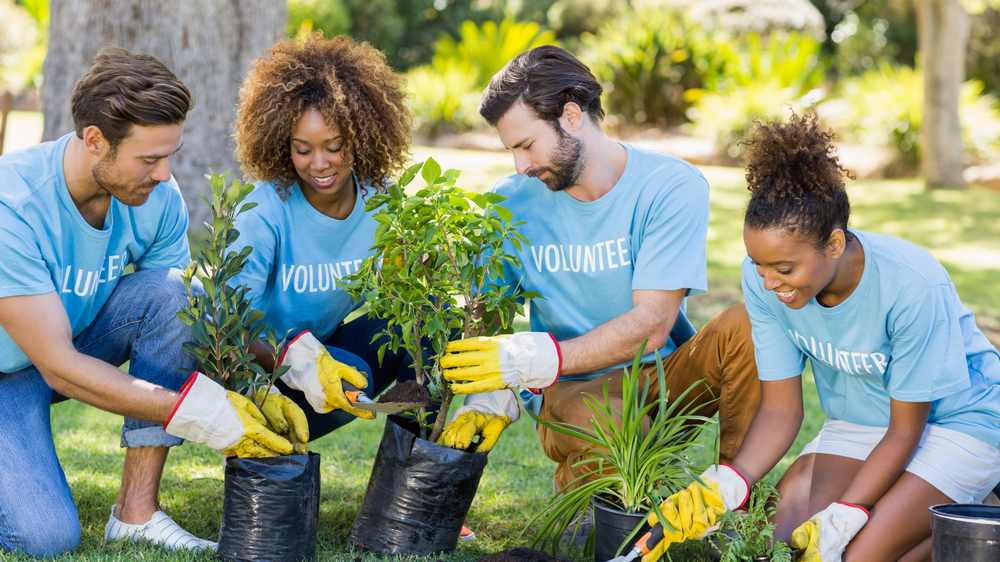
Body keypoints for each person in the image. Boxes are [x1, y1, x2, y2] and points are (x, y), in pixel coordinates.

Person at [639, 110, 1000, 562]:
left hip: (957, 424)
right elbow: (780, 408)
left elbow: (906, 430)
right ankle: (947, 513)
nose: (769, 282)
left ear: (834, 244)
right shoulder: (767, 284)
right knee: (781, 543)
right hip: (862, 421)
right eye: (759, 265)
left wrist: (848, 511)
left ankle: (974, 515)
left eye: (784, 269)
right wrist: (729, 481)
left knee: (855, 554)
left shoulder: (911, 284)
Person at [438, 45, 762, 538]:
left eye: (526, 145)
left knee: (746, 327)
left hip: (662, 381)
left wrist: (539, 358)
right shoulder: (509, 203)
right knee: (601, 445)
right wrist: (487, 398)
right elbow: (487, 316)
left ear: (571, 116)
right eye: (512, 151)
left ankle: (729, 506)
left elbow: (653, 324)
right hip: (571, 392)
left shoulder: (670, 186)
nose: (521, 165)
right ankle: (589, 494)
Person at [0, 46, 305, 557]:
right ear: (95, 140)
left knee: (175, 292)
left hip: (56, 350)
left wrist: (259, 379)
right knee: (45, 539)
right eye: (149, 158)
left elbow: (181, 319)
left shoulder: (155, 200)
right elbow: (59, 368)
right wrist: (200, 412)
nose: (164, 174)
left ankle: (136, 514)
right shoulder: (13, 204)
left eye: (169, 156)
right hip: (29, 365)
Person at [229, 33, 423, 439]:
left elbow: (403, 300)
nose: (319, 164)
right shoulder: (265, 210)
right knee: (354, 379)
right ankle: (262, 439)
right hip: (261, 368)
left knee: (428, 315)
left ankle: (414, 461)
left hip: (325, 352)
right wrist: (299, 364)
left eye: (334, 146)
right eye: (303, 149)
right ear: (283, 145)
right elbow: (226, 327)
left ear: (361, 136)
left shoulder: (382, 201)